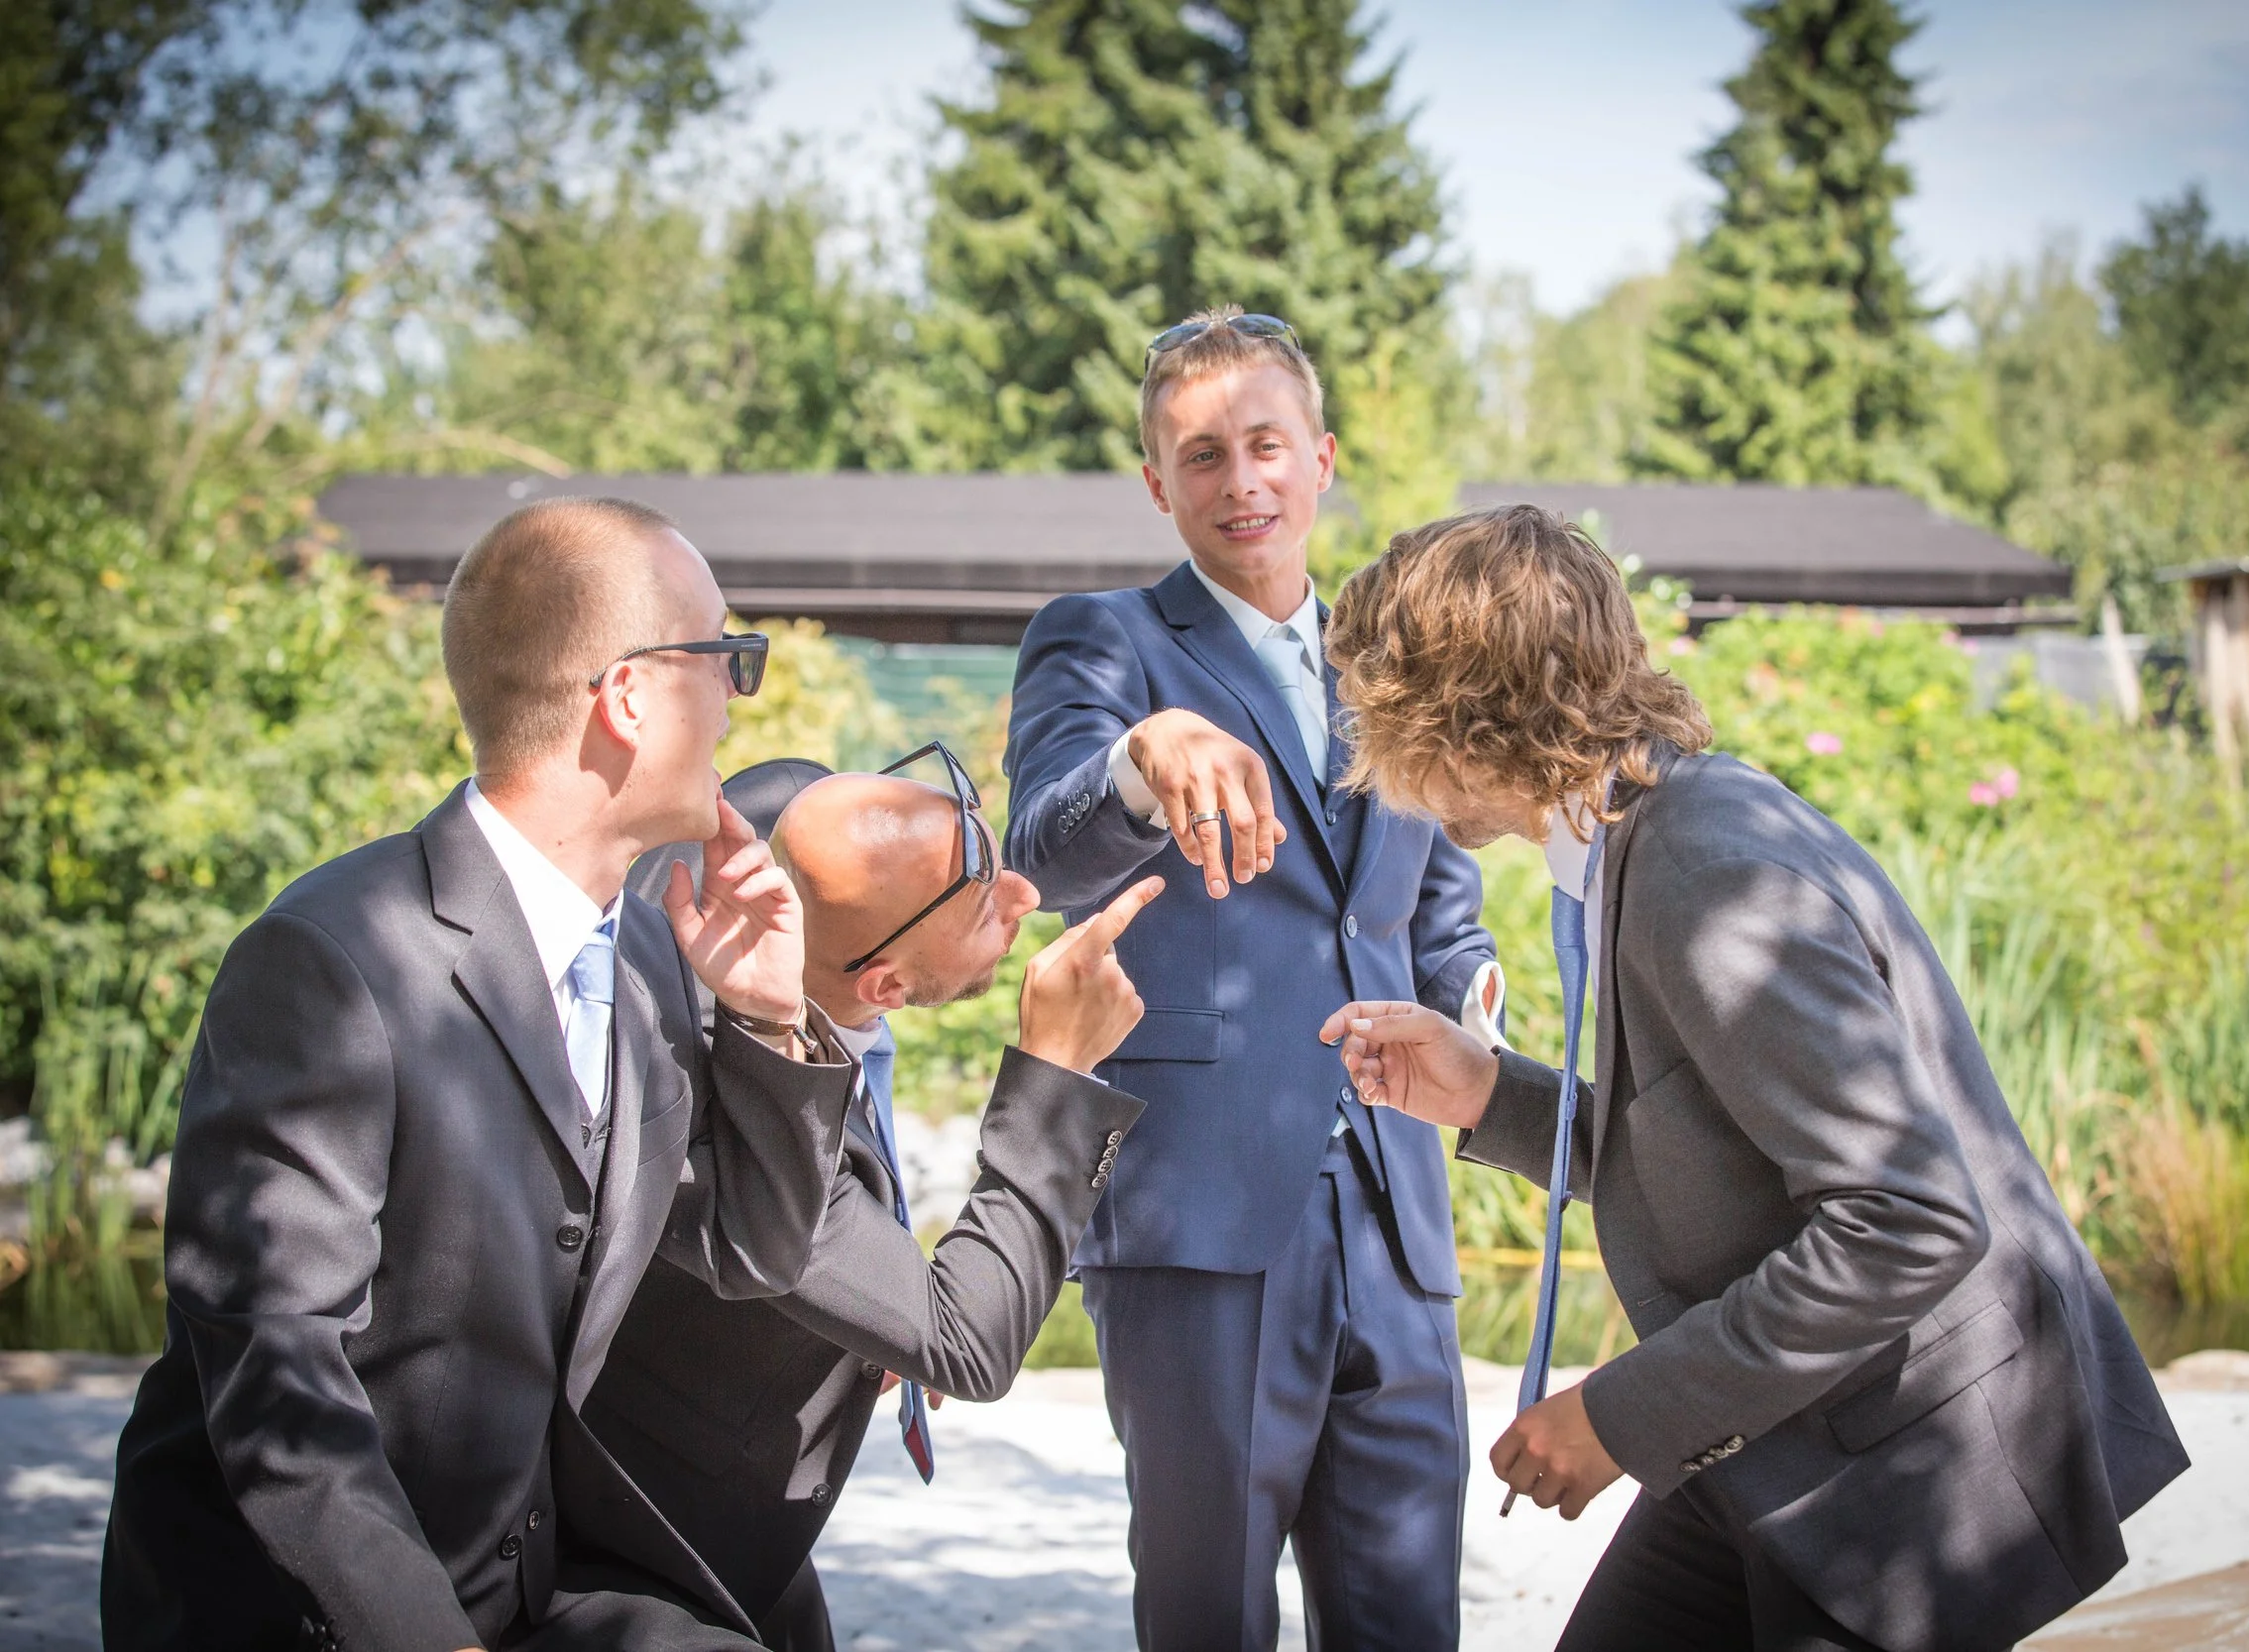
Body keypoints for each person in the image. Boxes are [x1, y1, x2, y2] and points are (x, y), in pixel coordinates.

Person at [1320, 504, 2190, 1652]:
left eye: (1380, 717)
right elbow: (1711, 1150)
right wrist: (1488, 1092)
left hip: (1896, 1464)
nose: (1375, 763)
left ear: (1464, 715)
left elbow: (1909, 1219)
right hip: (1777, 1427)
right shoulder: (1648, 830)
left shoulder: (1703, 869)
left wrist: (1618, 1414)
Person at [101, 497, 852, 1652]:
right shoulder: (332, 960)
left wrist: (767, 1017)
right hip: (315, 1609)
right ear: (629, 695)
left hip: (539, 1582)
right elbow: (275, 1376)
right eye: (726, 656)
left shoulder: (654, 953)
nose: (739, 697)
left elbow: (757, 1256)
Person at [1003, 307, 1502, 1651]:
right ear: (1157, 483)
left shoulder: (1385, 662)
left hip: (1397, 1216)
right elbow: (1037, 849)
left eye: (1266, 444)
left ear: (1320, 457)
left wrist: (1470, 992)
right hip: (1202, 1219)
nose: (1242, 481)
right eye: (1203, 455)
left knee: (1410, 1618)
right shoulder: (1101, 641)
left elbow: (1429, 890)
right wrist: (1138, 757)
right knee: (1210, 1614)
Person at [571, 753, 1160, 1650]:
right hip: (662, 1550)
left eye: (971, 829)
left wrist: (1137, 774)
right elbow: (965, 1341)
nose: (1022, 895)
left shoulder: (792, 818)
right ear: (884, 986)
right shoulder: (739, 1143)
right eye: (982, 904)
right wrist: (1058, 1073)